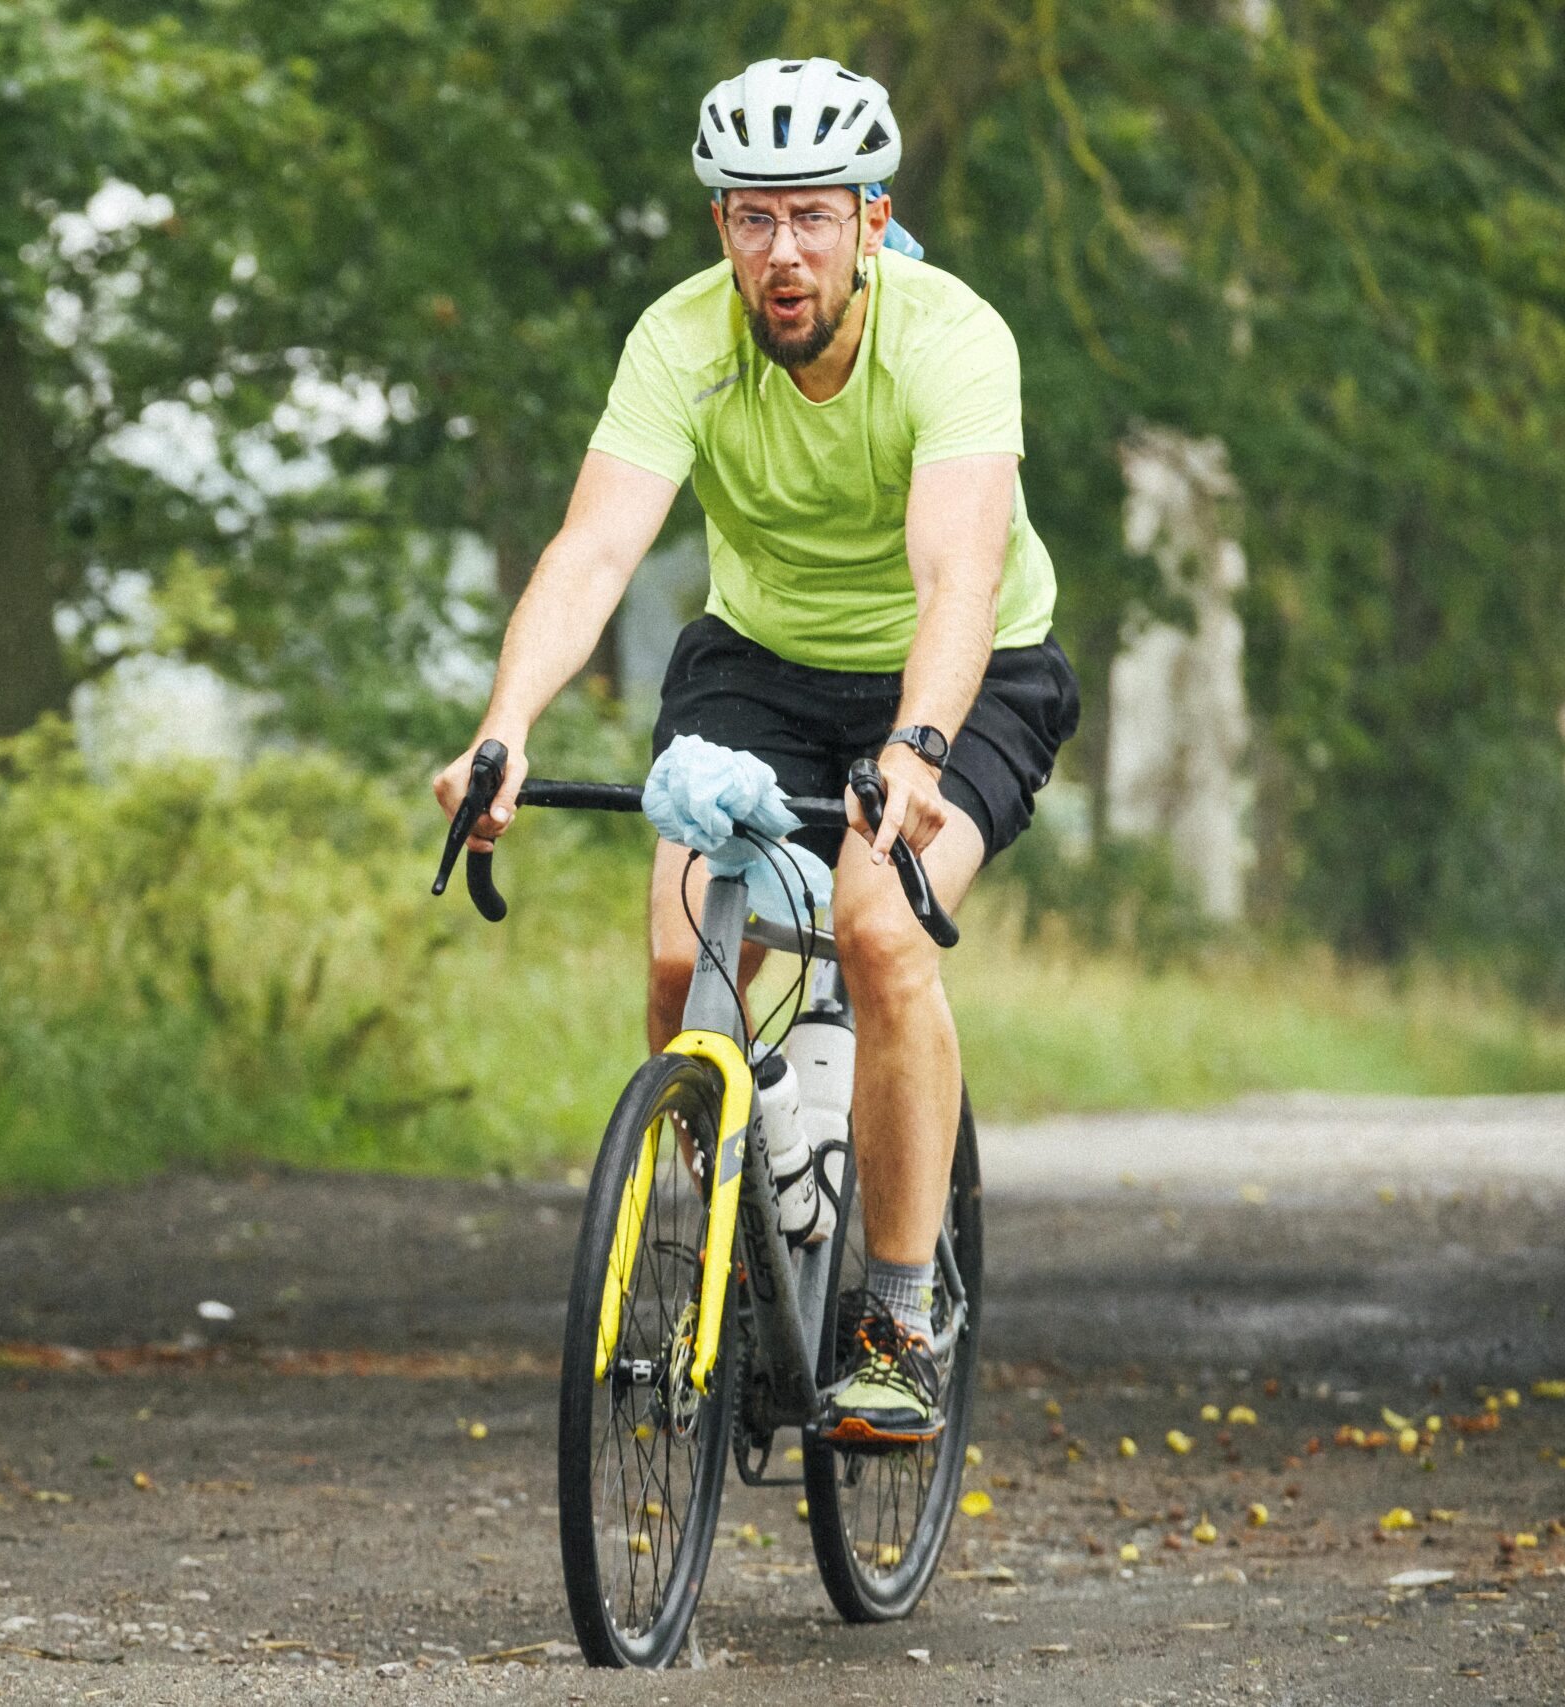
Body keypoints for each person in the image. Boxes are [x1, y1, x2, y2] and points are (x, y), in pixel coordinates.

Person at [433, 56, 1081, 1446]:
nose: (783, 253)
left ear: (870, 219)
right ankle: (746, 1228)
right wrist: (505, 728)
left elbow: (956, 577)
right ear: (719, 224)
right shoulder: (680, 341)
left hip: (969, 668)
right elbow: (594, 549)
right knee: (683, 964)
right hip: (763, 667)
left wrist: (917, 749)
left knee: (878, 929)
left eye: (813, 217)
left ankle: (896, 1320)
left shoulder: (955, 339)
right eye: (752, 218)